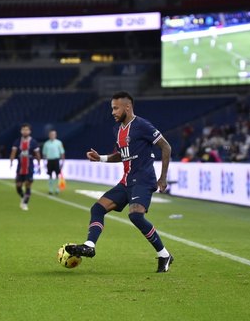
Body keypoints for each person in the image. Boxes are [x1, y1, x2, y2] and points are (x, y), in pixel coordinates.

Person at [66, 91, 175, 273]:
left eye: (116, 108)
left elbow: (166, 146)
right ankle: (90, 245)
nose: (113, 112)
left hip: (143, 180)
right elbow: (121, 155)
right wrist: (100, 158)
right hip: (126, 182)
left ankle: (164, 255)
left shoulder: (142, 126)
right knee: (98, 208)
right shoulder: (118, 130)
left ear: (127, 107)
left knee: (135, 215)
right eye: (112, 108)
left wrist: (162, 177)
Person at [9, 123, 42, 211]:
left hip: (29, 167)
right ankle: (23, 197)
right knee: (18, 186)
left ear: (30, 131)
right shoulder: (17, 141)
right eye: (23, 129)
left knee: (28, 184)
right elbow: (13, 152)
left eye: (27, 130)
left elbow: (37, 154)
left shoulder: (33, 142)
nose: (25, 131)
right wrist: (11, 161)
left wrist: (39, 164)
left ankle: (25, 203)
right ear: (21, 131)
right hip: (20, 167)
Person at [42, 129, 65, 195]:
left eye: (53, 134)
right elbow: (44, 154)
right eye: (51, 134)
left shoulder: (59, 143)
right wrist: (44, 162)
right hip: (49, 160)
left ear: (55, 135)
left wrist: (63, 162)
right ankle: (50, 189)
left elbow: (62, 153)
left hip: (56, 160)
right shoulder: (46, 143)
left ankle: (57, 189)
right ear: (49, 135)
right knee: (50, 175)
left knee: (57, 175)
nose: (52, 135)